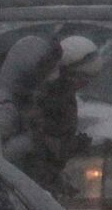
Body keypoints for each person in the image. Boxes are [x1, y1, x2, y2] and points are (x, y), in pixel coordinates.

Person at [0, 35, 63, 189]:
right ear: (30, 74)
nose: (51, 79)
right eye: (45, 73)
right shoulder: (5, 109)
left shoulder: (20, 101)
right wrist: (31, 142)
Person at [34, 35, 104, 173]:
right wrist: (75, 146)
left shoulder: (63, 94)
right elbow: (43, 143)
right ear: (67, 73)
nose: (84, 84)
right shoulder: (50, 99)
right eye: (82, 78)